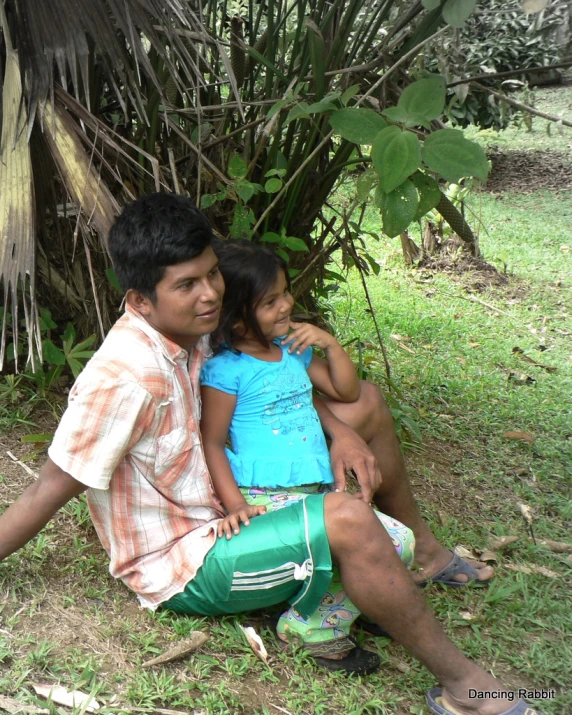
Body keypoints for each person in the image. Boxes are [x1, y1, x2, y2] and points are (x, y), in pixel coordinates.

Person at [0, 193, 542, 715]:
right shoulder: (123, 379)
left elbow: (280, 389)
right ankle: (468, 689)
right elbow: (49, 486)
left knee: (367, 408)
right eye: (187, 284)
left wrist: (341, 432)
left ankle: (421, 555)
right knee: (352, 521)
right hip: (188, 558)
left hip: (226, 491)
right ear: (141, 300)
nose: (209, 293)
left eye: (212, 274)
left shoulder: (197, 326)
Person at [199, 239, 415, 661]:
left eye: (285, 292)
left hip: (315, 491)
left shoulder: (291, 350)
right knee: (396, 541)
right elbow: (211, 440)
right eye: (269, 301)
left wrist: (330, 344)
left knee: (391, 545)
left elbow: (344, 390)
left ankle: (351, 604)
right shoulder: (225, 369)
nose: (286, 305)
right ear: (236, 317)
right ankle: (309, 626)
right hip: (266, 494)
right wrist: (235, 504)